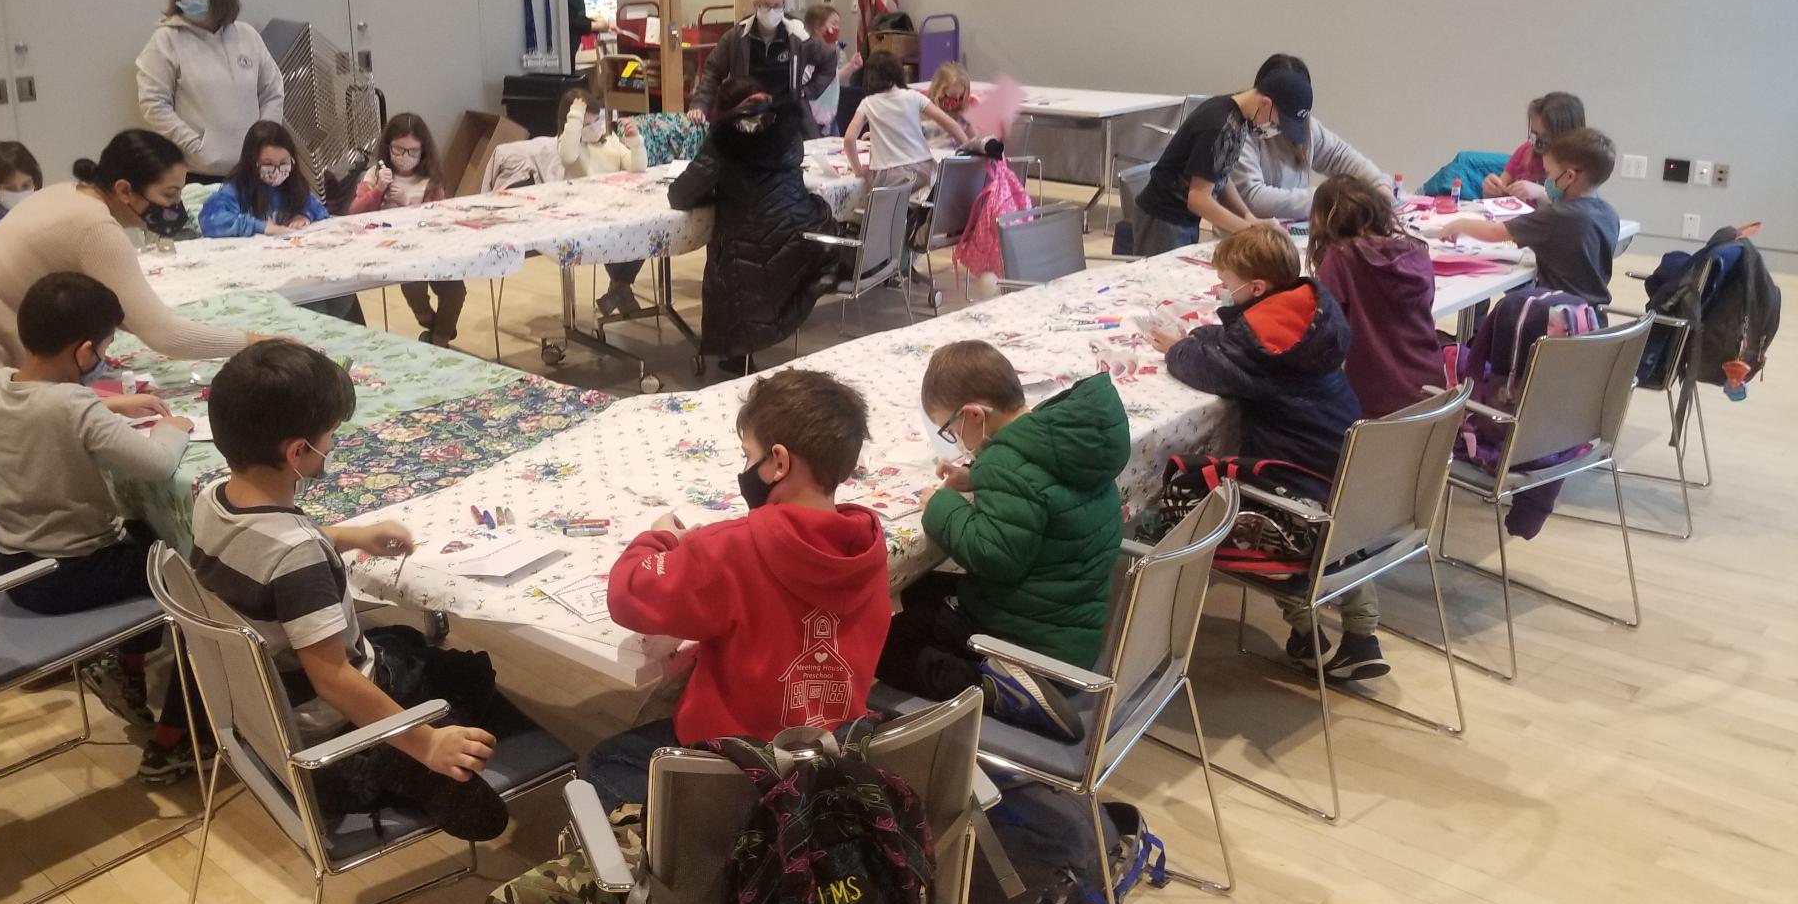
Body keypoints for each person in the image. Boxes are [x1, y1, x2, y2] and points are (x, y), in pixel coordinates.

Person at [0, 129, 259, 579]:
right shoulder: (95, 226)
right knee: (3, 492)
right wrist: (253, 343)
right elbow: (161, 332)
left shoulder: (66, 195)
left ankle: (15, 590)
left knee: (1, 485)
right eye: (169, 194)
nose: (174, 207)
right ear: (124, 190)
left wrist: (106, 400)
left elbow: (126, 312)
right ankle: (14, 597)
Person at [192, 340, 508, 839]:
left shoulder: (211, 498)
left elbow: (264, 560)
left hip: (272, 716)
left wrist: (349, 537)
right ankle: (415, 770)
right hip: (334, 738)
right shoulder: (297, 555)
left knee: (403, 641)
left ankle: (410, 756)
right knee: (473, 675)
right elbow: (334, 680)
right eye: (329, 436)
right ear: (297, 452)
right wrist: (426, 744)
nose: (332, 446)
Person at [582, 369, 889, 811]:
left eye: (749, 456)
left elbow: (628, 592)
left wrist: (662, 538)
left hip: (741, 764)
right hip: (828, 752)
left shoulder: (731, 546)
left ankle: (712, 851)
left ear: (778, 463)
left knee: (605, 762)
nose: (745, 469)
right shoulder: (868, 544)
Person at [0, 272, 204, 781]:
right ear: (84, 353)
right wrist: (174, 428)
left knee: (146, 532)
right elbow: (156, 464)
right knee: (202, 575)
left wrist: (111, 404)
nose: (103, 360)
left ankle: (123, 671)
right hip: (74, 574)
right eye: (103, 350)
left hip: (18, 566)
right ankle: (176, 740)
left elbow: (52, 408)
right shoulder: (73, 404)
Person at [1147, 226, 1382, 679]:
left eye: (1226, 282)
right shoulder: (1310, 313)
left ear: (1255, 288)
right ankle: (1361, 632)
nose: (1221, 289)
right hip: (1348, 474)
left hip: (1295, 483)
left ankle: (1305, 631)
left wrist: (1181, 347)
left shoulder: (1261, 345)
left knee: (1257, 507)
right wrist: (1205, 336)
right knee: (1339, 532)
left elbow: (1212, 368)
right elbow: (1238, 344)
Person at [875, 341, 1129, 741]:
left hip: (1032, 649)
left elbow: (992, 556)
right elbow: (1042, 491)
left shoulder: (1007, 464)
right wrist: (977, 478)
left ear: (974, 414)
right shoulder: (1062, 439)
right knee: (922, 589)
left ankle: (991, 689)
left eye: (951, 429)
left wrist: (941, 506)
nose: (955, 441)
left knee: (886, 646)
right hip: (1071, 624)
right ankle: (997, 675)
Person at [668, 77, 841, 375]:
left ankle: (737, 354)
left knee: (730, 257)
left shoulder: (725, 136)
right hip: (804, 231)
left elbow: (682, 194)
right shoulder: (786, 125)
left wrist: (717, 192)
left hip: (755, 243)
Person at [1132, 66, 1311, 257]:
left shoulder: (1239, 119)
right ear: (1266, 103)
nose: (1276, 129)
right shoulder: (1219, 125)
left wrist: (1249, 218)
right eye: (1278, 123)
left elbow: (1220, 176)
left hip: (1182, 219)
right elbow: (1199, 199)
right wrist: (1247, 230)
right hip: (1162, 218)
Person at [134, 0, 285, 181]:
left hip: (252, 169)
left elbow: (272, 91)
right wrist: (195, 146)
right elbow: (154, 104)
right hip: (199, 172)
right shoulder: (166, 40)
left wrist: (265, 141)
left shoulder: (247, 36)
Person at [1437, 127, 1620, 308]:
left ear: (1569, 176)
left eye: (1548, 174)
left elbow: (1495, 232)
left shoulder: (1557, 216)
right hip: (1593, 320)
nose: (1545, 181)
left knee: (1505, 308)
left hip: (1555, 318)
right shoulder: (1610, 215)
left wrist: (1458, 224)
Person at [1308, 175, 1444, 417]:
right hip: (1432, 394)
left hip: (1378, 406)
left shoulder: (1340, 259)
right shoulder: (1416, 252)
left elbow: (1325, 332)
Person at [350, 112, 466, 347]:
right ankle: (430, 323)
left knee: (455, 291)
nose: (404, 157)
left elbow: (438, 219)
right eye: (398, 150)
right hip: (395, 251)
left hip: (431, 248)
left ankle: (439, 341)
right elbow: (355, 212)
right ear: (388, 148)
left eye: (412, 151)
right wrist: (378, 190)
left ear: (423, 150)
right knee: (413, 286)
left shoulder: (430, 179)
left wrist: (407, 203)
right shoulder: (375, 174)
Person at [1229, 54, 1387, 220]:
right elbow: (1253, 198)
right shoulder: (1236, 130)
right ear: (1265, 103)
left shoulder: (1306, 126)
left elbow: (1338, 155)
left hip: (1291, 235)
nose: (1283, 128)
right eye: (1282, 117)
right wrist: (1326, 200)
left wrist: (1379, 185)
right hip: (1246, 238)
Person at [687, 0, 837, 138]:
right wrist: (700, 105)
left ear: (784, 7)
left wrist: (807, 91)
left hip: (787, 119)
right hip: (747, 117)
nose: (772, 10)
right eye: (766, 5)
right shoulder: (737, 37)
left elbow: (828, 60)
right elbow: (713, 71)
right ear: (756, 6)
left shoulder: (797, 36)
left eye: (777, 6)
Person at [556, 86, 650, 317]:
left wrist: (635, 142)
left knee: (648, 229)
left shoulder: (610, 142)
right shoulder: (572, 147)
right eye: (586, 124)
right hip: (587, 214)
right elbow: (567, 154)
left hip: (618, 208)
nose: (594, 127)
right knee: (614, 234)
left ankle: (619, 288)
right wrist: (576, 115)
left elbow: (637, 167)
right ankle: (621, 289)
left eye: (596, 121)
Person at [842, 50, 970, 197]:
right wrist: (970, 152)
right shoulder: (914, 97)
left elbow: (849, 139)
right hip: (923, 168)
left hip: (888, 176)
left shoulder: (867, 103)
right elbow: (951, 125)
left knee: (884, 207)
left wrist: (858, 172)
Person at [198, 120, 331, 237]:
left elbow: (320, 210)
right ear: (251, 162)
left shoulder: (293, 186)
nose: (277, 171)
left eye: (284, 163)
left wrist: (304, 215)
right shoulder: (237, 189)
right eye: (268, 164)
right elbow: (209, 220)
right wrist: (262, 227)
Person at [1482, 91, 1585, 202]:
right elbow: (1498, 195)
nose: (1536, 143)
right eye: (1533, 134)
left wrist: (1541, 193)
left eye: (1544, 138)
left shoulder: (1579, 169)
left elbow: (1578, 210)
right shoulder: (1525, 151)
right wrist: (1490, 191)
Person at [802, 4, 856, 134]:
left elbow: (832, 78)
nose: (837, 28)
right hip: (814, 119)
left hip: (830, 118)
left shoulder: (831, 52)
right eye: (833, 24)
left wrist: (851, 66)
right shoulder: (811, 54)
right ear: (817, 28)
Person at [924, 61, 978, 140]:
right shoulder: (925, 109)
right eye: (948, 97)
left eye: (960, 98)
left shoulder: (963, 117)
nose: (953, 103)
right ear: (937, 90)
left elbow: (975, 140)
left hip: (956, 151)